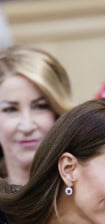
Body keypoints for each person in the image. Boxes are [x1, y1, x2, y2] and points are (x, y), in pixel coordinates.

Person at [0, 46, 74, 185]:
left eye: (40, 107)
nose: (27, 126)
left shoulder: (88, 198)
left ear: (59, 114)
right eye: (10, 109)